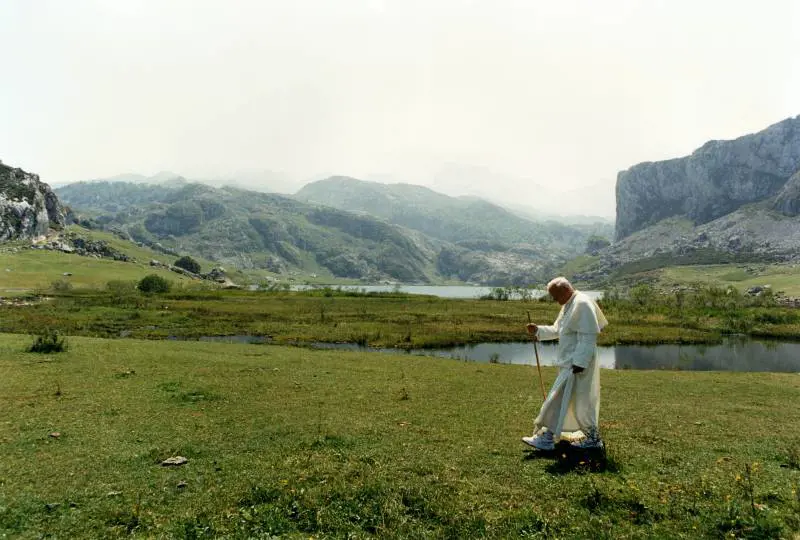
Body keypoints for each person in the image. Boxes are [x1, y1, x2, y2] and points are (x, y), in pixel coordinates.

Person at [522, 277, 608, 450]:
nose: (555, 300)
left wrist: (580, 363)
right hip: (570, 363)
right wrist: (538, 330)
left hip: (577, 364)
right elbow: (558, 330)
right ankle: (549, 437)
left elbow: (588, 336)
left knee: (575, 401)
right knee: (563, 400)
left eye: (555, 296)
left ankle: (588, 439)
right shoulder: (569, 304)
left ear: (564, 290)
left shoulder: (582, 304)